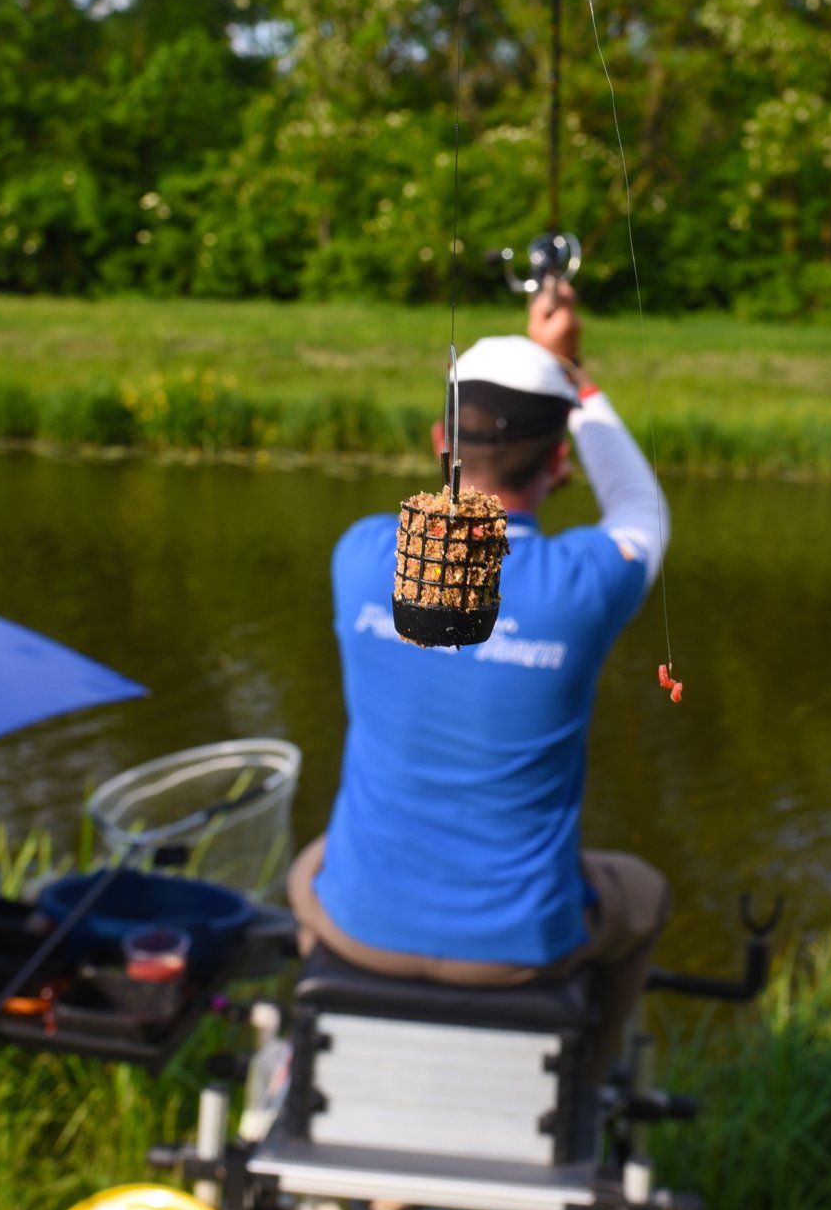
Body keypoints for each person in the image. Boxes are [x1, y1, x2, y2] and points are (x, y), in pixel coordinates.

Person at [288, 280, 671, 1075]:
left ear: (441, 441)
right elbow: (641, 511)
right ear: (558, 462)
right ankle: (589, 1079)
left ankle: (314, 1058)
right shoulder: (583, 585)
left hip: (363, 929)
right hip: (518, 949)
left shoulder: (361, 555)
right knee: (642, 893)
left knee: (308, 869)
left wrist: (550, 372)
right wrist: (576, 375)